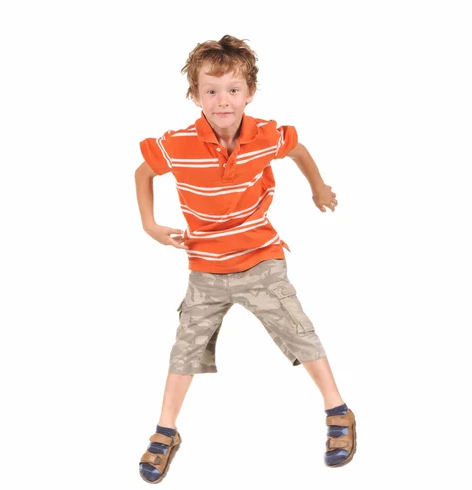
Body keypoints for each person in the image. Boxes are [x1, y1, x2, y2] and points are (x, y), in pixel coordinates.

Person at [134, 34, 356, 484]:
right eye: (210, 90)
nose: (222, 100)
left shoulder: (265, 134)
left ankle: (339, 412)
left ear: (249, 93)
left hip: (260, 259)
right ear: (195, 94)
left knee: (300, 332)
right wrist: (150, 225)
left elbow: (297, 149)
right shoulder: (176, 144)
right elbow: (143, 171)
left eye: (232, 90)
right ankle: (165, 432)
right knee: (184, 351)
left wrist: (318, 187)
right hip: (206, 269)